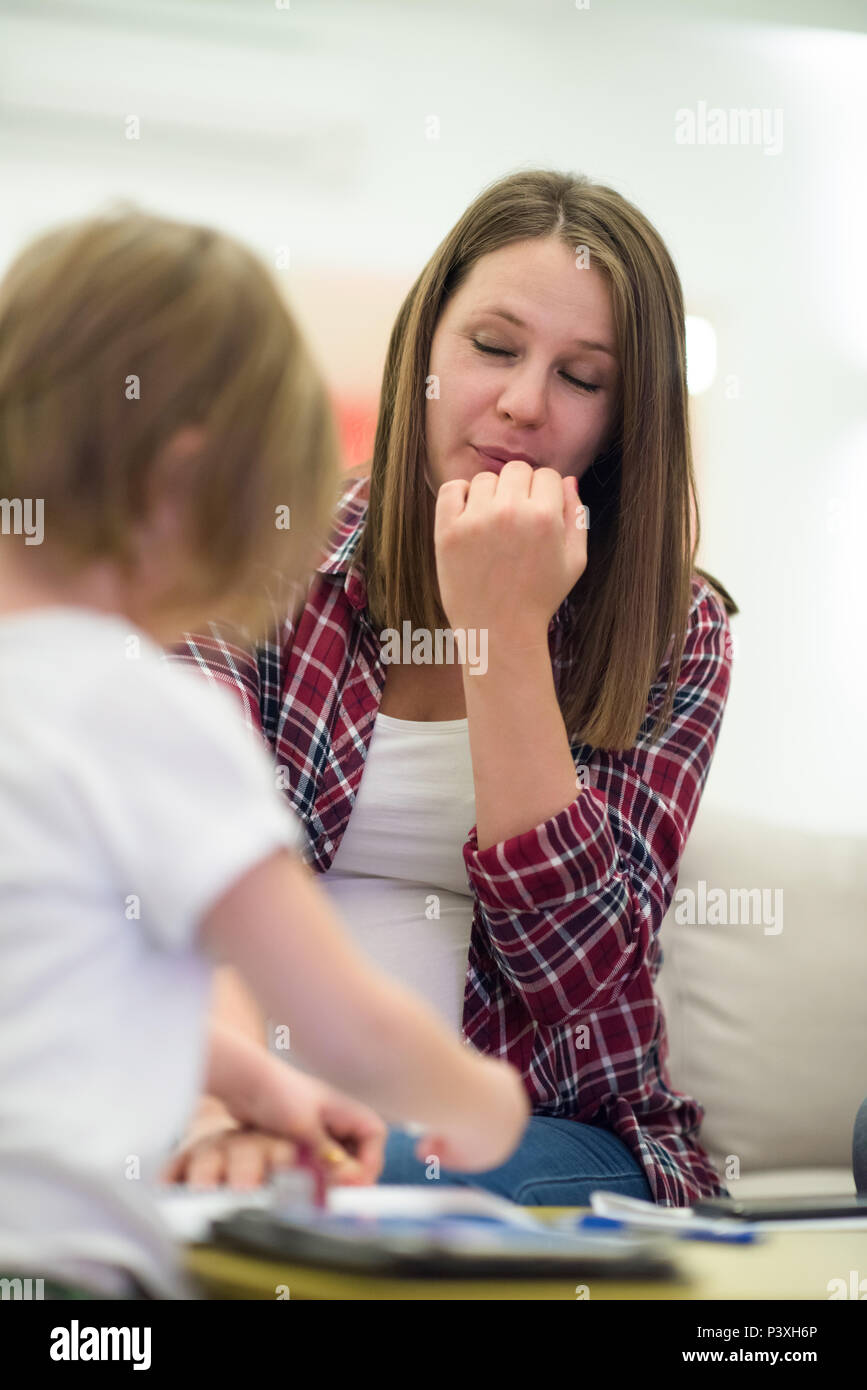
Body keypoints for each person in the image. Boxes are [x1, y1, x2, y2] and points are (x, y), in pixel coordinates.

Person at [167, 168, 740, 1208]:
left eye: (583, 376)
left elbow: (575, 982)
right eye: (492, 347)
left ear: (623, 419)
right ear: (425, 348)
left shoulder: (675, 628)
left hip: (553, 1124)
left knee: (353, 1179)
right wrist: (240, 1106)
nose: (523, 402)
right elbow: (189, 872)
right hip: (250, 1087)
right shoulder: (260, 556)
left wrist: (505, 632)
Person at [0, 207, 529, 1299]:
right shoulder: (138, 710)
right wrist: (482, 1103)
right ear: (181, 489)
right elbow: (344, 1018)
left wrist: (250, 1079)